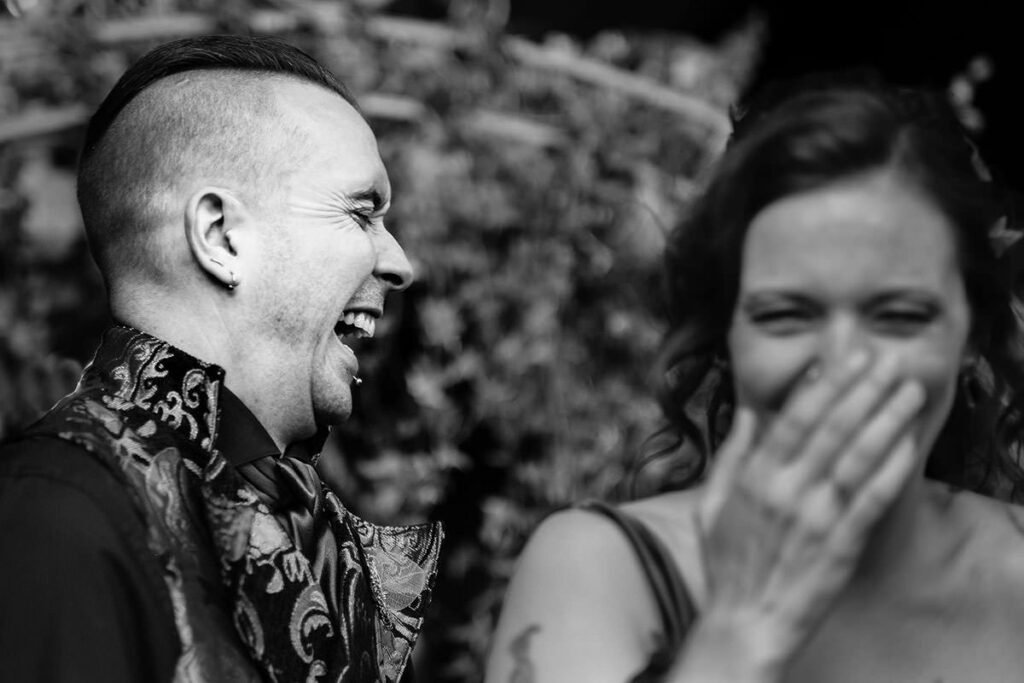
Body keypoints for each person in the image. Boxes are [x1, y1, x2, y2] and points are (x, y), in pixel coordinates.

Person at [485, 76, 1024, 682]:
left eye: (899, 316)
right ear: (729, 337)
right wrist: (740, 632)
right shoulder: (601, 569)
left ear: (971, 334)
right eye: (786, 315)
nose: (842, 363)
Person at [0, 35, 442, 683]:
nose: (401, 263)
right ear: (221, 237)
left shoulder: (301, 533)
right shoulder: (54, 520)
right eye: (360, 212)